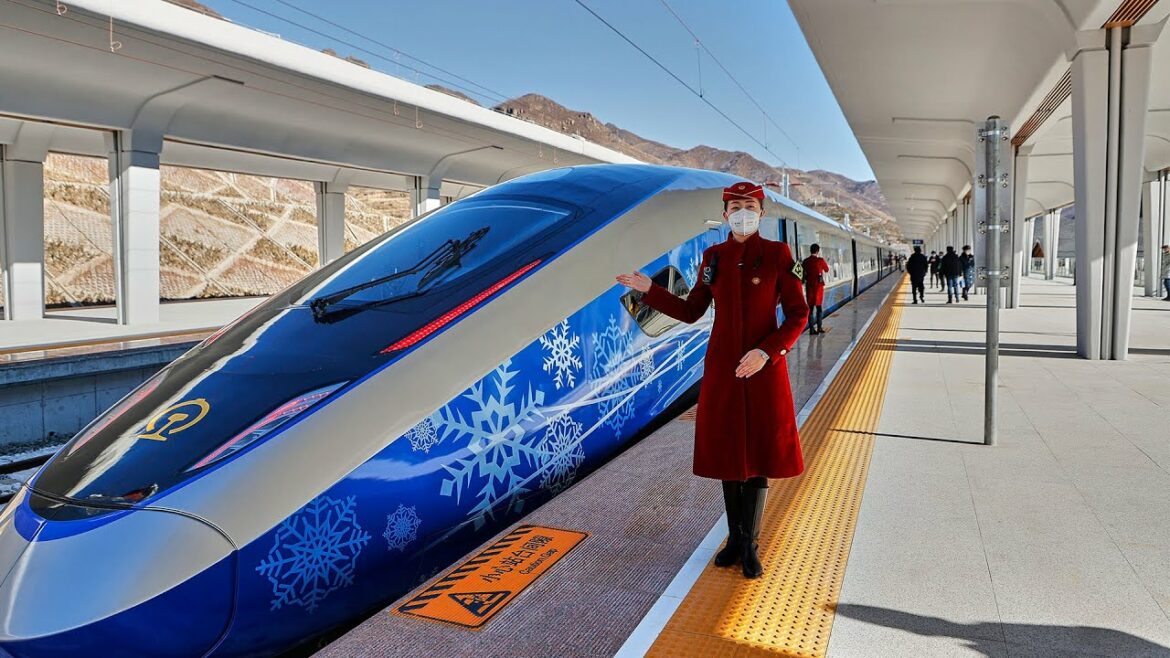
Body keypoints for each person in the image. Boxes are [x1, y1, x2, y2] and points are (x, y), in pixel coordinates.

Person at [616, 181, 809, 579]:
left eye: (749, 206)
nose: (742, 213)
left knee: (757, 455)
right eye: (735, 207)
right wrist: (650, 290)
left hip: (762, 370)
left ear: (761, 213)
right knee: (727, 454)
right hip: (723, 369)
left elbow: (798, 314)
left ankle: (750, 544)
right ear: (725, 215)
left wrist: (767, 352)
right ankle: (734, 540)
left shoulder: (778, 254)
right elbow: (692, 311)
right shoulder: (714, 256)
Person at [802, 244, 830, 335]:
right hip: (818, 289)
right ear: (818, 251)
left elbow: (802, 273)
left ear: (810, 250)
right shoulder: (820, 261)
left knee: (810, 309)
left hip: (809, 288)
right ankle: (819, 327)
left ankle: (811, 329)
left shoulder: (805, 261)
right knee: (819, 308)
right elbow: (827, 269)